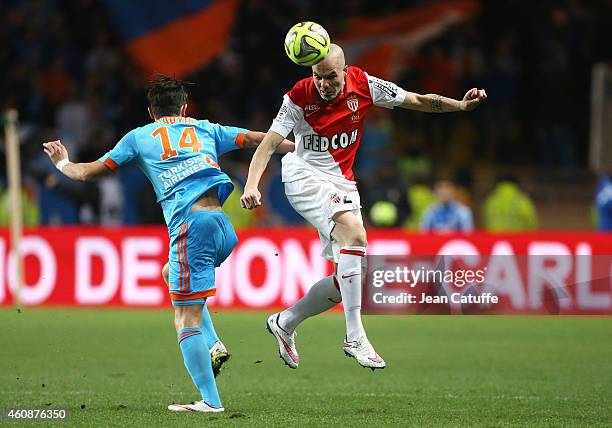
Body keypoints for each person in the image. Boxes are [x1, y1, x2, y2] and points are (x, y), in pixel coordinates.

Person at [43, 76, 293, 413]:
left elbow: (87, 173)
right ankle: (215, 344)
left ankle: (211, 402)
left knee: (184, 319)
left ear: (150, 111)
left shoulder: (138, 138)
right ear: (184, 107)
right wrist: (299, 148)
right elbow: (257, 139)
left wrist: (61, 162)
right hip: (223, 226)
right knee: (168, 272)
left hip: (192, 228)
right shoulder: (205, 128)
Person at [240, 44, 486, 370]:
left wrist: (460, 106)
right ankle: (355, 337)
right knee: (355, 236)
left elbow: (416, 100)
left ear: (344, 71)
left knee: (349, 279)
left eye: (330, 77)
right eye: (318, 76)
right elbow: (269, 144)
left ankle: (285, 322)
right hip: (304, 177)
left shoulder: (365, 84)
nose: (324, 84)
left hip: (342, 183)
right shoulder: (298, 96)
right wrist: (251, 184)